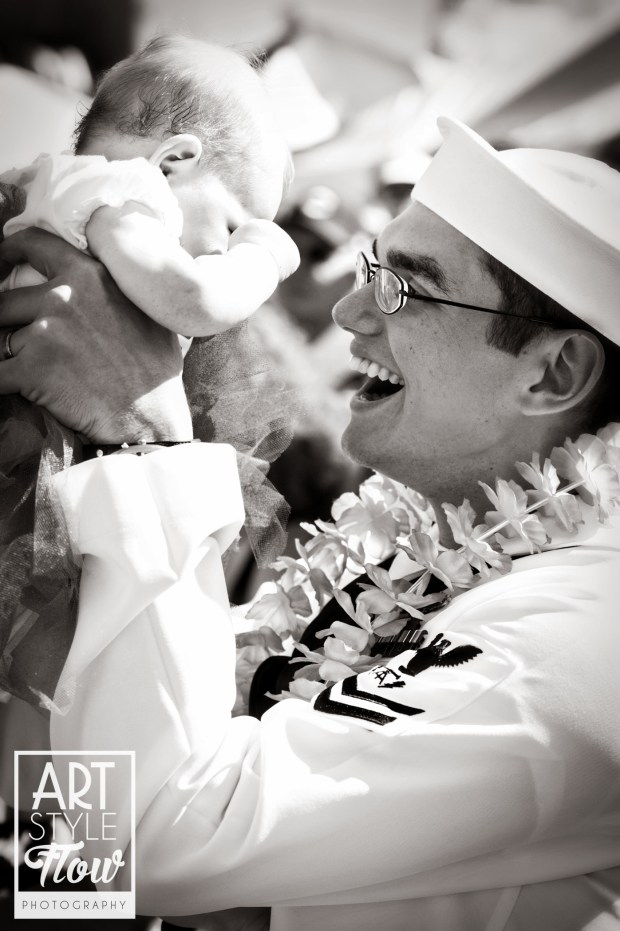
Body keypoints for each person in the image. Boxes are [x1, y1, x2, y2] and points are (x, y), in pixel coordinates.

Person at [1, 118, 619, 930]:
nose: (350, 312)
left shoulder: (576, 644)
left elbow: (149, 842)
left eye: (406, 288)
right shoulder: (411, 539)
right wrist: (38, 884)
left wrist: (141, 431)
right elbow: (89, 848)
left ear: (553, 372)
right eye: (372, 268)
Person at [0, 34, 298, 709]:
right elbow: (196, 301)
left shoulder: (53, 188)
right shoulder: (124, 196)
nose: (217, 251)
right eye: (229, 224)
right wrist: (263, 255)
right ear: (174, 162)